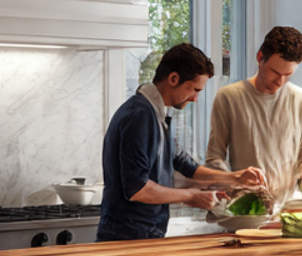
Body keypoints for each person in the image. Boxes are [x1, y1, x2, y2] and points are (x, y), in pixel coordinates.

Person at [98, 43, 266, 242]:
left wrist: (236, 178)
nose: (195, 98)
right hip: (127, 238)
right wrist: (191, 196)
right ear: (173, 78)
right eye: (194, 89)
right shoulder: (140, 116)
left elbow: (186, 166)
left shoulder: (156, 114)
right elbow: (138, 189)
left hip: (142, 235)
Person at [206, 25, 302, 209]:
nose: (280, 81)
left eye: (288, 75)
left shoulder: (300, 99)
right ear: (260, 58)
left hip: (288, 208)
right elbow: (214, 157)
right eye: (275, 72)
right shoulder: (229, 97)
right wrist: (235, 184)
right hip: (246, 210)